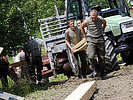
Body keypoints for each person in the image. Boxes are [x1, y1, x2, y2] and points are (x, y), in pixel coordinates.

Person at [80, 9, 106, 78]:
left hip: (100, 38)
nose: (93, 19)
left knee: (102, 57)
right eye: (91, 17)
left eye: (94, 18)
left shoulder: (101, 19)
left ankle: (102, 73)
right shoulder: (87, 21)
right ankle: (96, 67)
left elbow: (105, 23)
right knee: (90, 56)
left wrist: (102, 30)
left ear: (97, 16)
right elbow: (81, 27)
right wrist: (85, 36)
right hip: (91, 39)